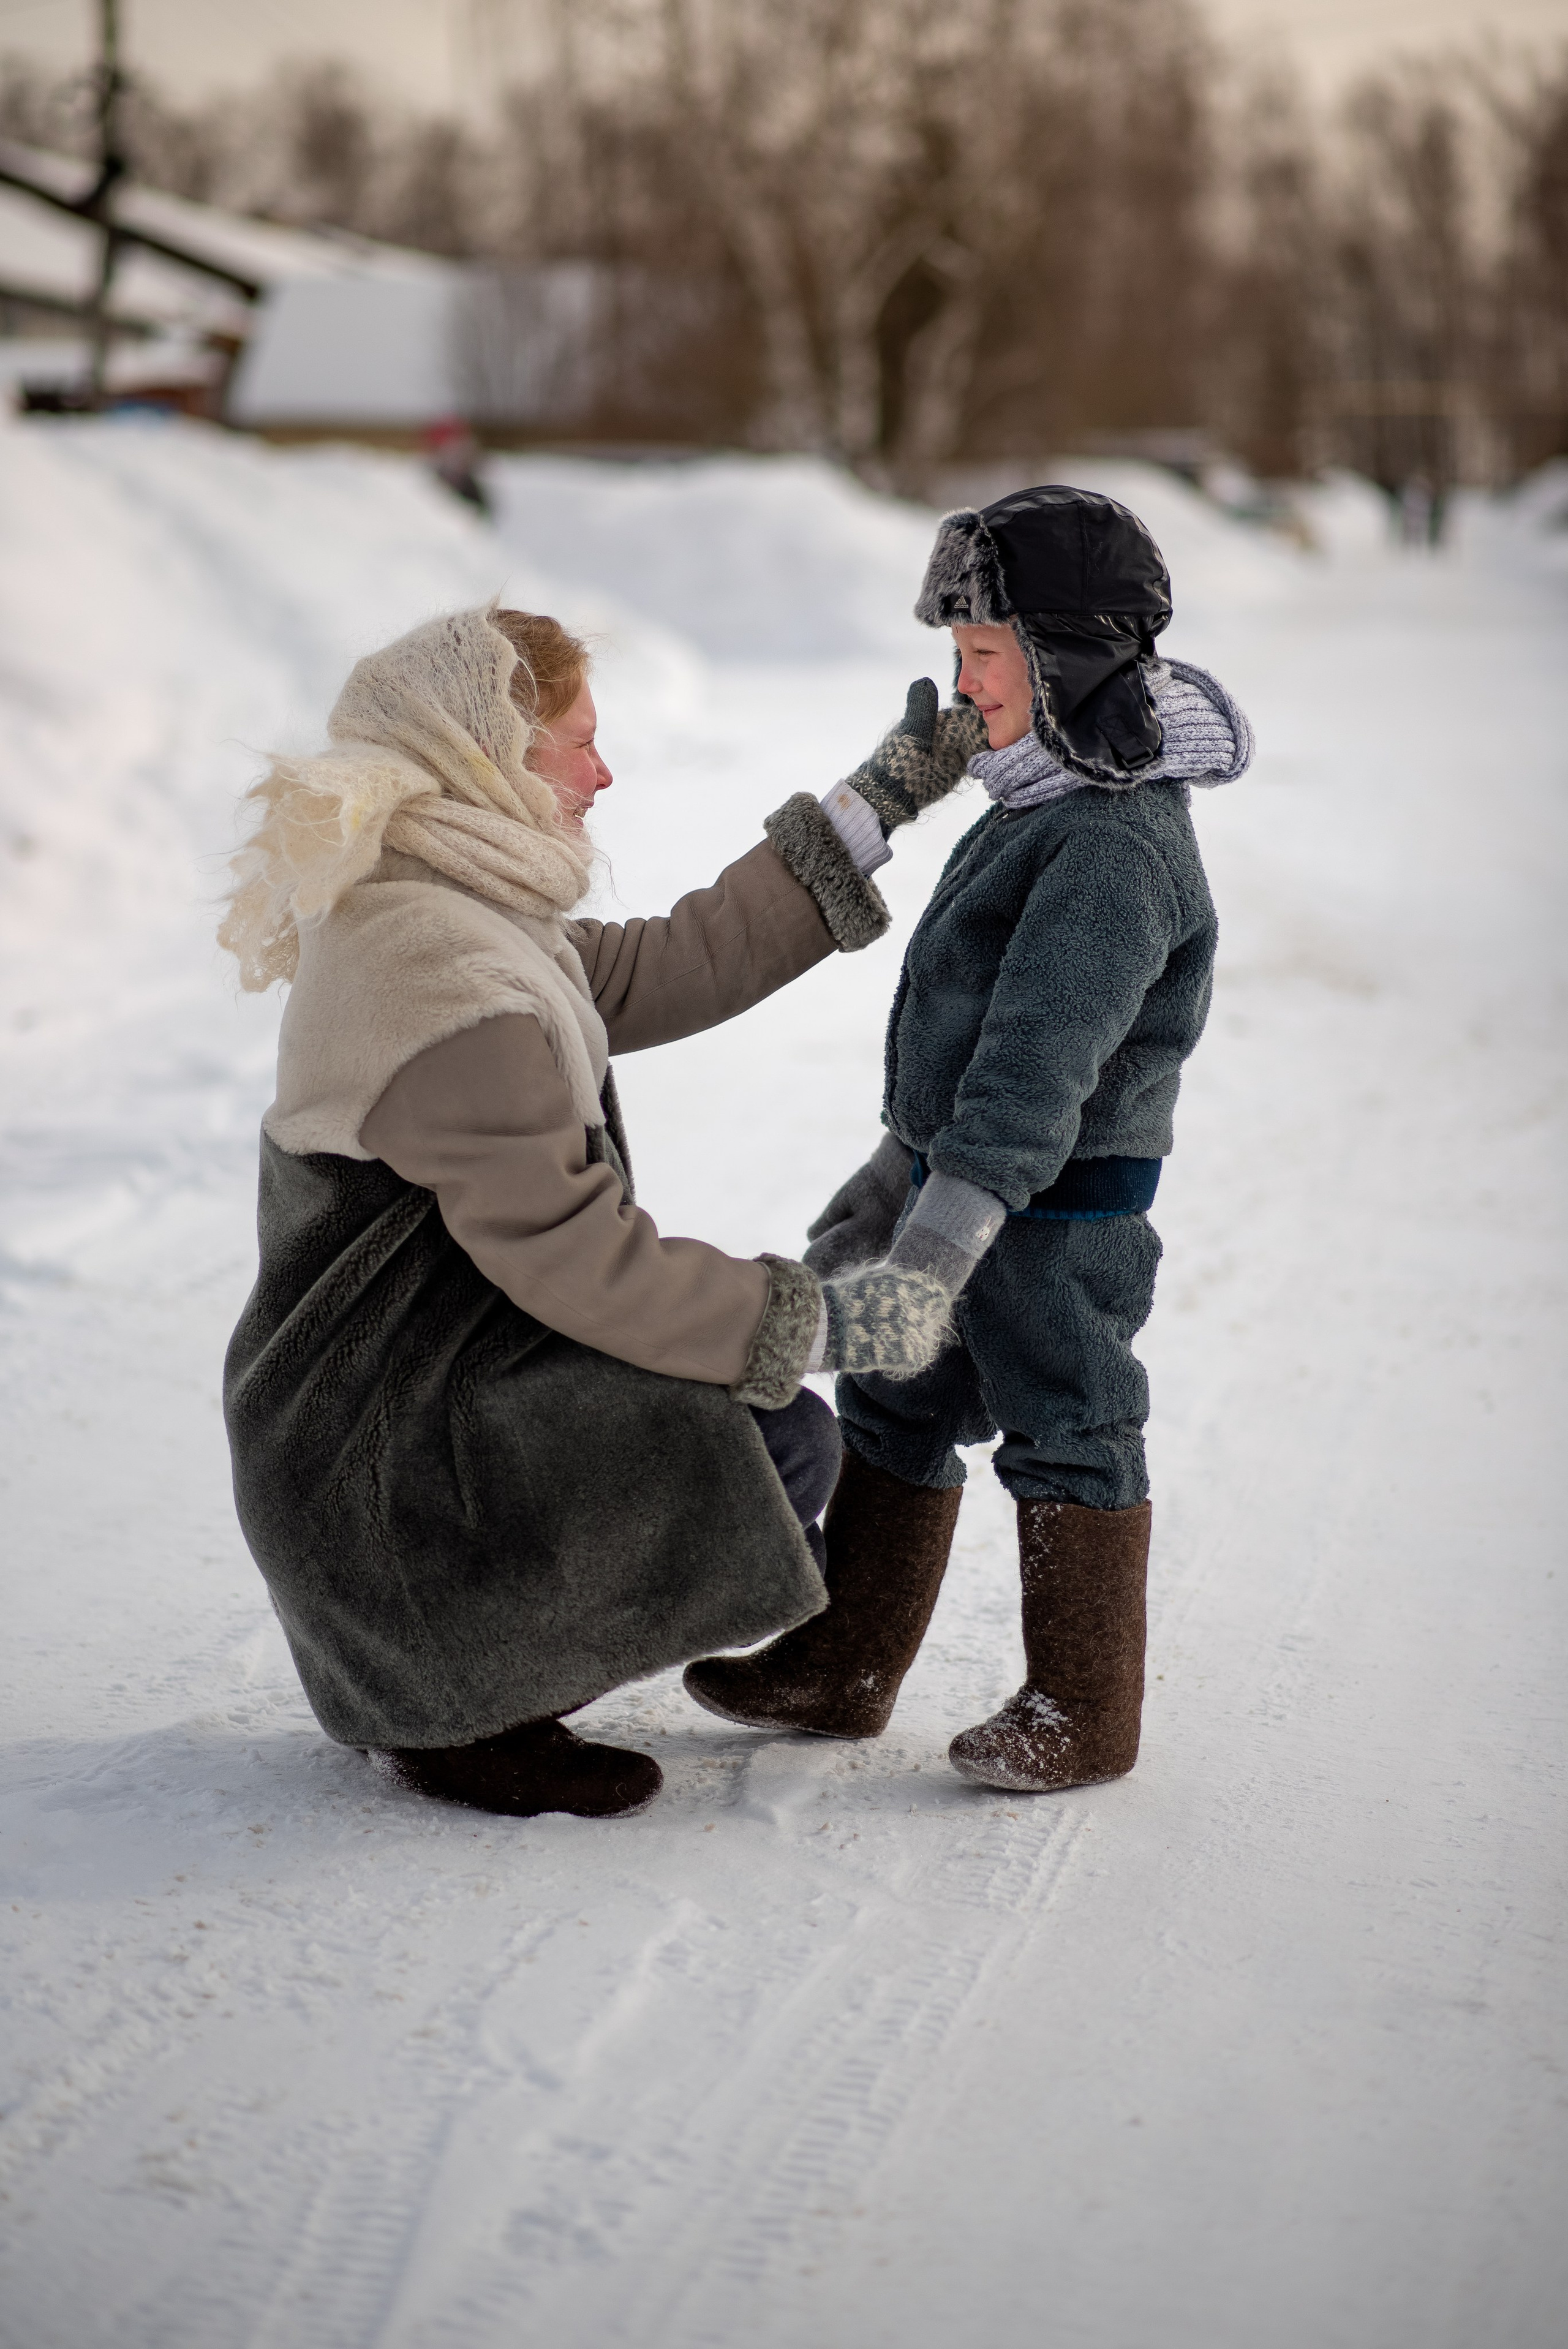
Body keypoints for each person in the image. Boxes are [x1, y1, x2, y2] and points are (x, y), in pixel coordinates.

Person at [219, 601, 984, 1820]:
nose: (602, 771)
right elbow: (590, 1267)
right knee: (768, 1435)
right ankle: (460, 1706)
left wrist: (868, 808)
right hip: (384, 1465)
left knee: (758, 1416)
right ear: (481, 755)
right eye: (572, 743)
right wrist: (828, 1322)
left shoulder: (442, 899)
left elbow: (664, 960)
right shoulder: (438, 980)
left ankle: (481, 1670)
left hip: (416, 1394)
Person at [684, 485, 1253, 1794]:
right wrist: (893, 1180)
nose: (962, 683)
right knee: (896, 1399)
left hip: (1050, 1222)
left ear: (1062, 657)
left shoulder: (1112, 845)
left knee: (1071, 1423)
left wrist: (930, 1245)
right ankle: (843, 1662)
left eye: (984, 655)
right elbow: (951, 1051)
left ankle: (1080, 1704)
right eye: (956, 652)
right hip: (960, 1196)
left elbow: (1026, 1073)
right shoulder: (1036, 800)